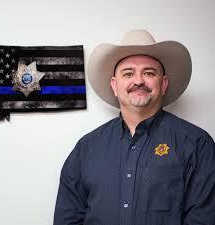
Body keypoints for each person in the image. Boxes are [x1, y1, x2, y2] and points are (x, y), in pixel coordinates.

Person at [53, 30, 215, 225]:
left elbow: (203, 219)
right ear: (114, 85)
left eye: (149, 73)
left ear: (163, 84)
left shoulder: (196, 144)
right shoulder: (85, 149)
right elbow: (67, 218)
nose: (138, 81)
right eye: (128, 73)